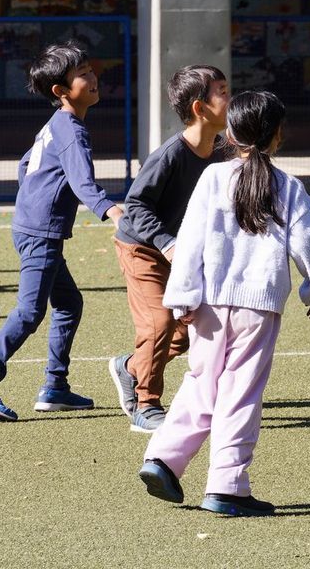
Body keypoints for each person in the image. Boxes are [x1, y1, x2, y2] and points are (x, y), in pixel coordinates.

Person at [137, 90, 310, 517]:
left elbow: (189, 242)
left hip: (208, 305)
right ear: (278, 135)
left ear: (230, 133)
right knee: (240, 394)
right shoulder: (289, 186)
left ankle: (163, 459)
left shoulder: (212, 178)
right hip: (258, 307)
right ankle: (227, 486)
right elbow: (309, 243)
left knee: (199, 383)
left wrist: (182, 297)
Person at [0, 42, 123, 422]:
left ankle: (55, 387)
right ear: (61, 91)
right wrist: (108, 208)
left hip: (32, 227)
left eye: (91, 70)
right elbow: (81, 180)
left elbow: (25, 164)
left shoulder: (56, 125)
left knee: (69, 304)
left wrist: (31, 200)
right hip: (40, 232)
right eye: (83, 74)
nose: (93, 77)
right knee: (30, 311)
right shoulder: (71, 130)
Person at [108, 65, 229, 434]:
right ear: (200, 108)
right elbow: (137, 204)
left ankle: (130, 367)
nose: (231, 99)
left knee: (188, 329)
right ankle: (145, 404)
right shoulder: (171, 154)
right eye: (222, 92)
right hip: (142, 248)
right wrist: (168, 244)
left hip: (183, 251)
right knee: (159, 322)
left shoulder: (224, 150)